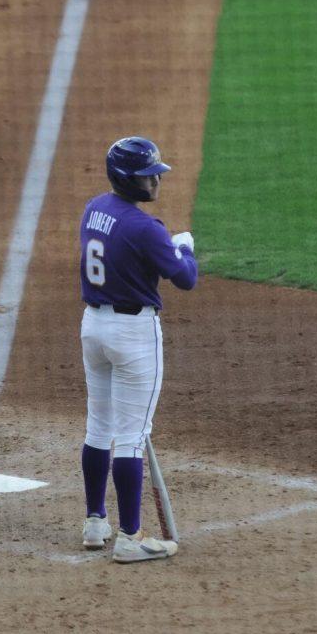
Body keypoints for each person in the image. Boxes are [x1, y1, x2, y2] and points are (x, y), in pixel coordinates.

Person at [77, 137, 198, 563]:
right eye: (150, 176)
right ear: (132, 179)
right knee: (132, 435)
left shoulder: (95, 208)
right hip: (132, 335)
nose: (156, 182)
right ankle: (130, 537)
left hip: (93, 326)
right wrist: (184, 247)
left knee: (98, 425)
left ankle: (95, 521)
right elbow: (185, 279)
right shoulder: (147, 229)